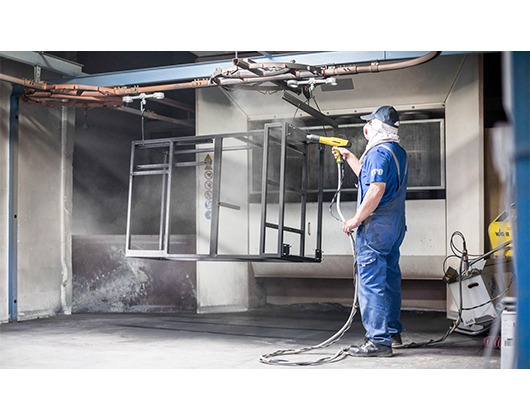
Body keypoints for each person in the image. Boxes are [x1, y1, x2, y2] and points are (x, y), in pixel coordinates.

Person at [333, 105, 408, 357]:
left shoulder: (378, 153)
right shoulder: (396, 151)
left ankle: (378, 341)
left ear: (375, 126)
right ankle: (392, 332)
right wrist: (349, 157)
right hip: (394, 226)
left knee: (371, 282)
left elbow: (375, 190)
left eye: (369, 123)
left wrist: (355, 219)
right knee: (389, 279)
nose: (365, 127)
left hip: (376, 227)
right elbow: (372, 179)